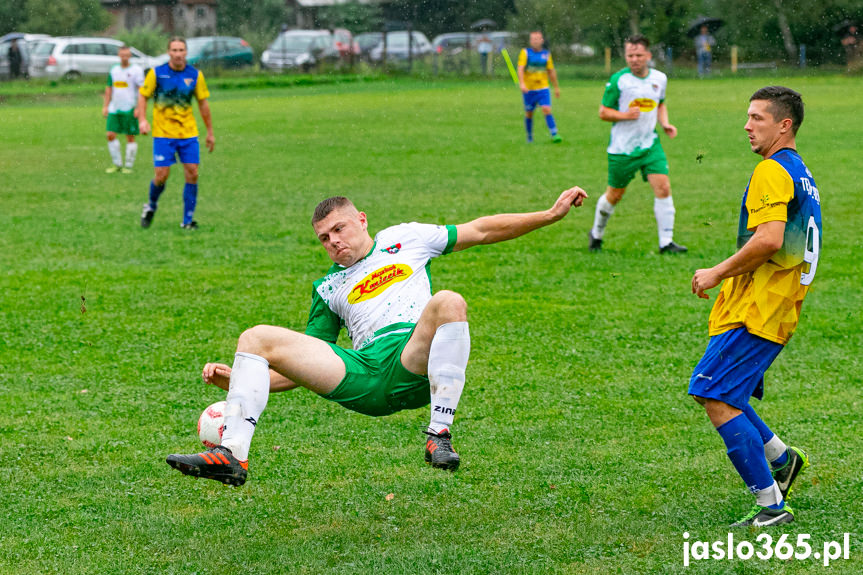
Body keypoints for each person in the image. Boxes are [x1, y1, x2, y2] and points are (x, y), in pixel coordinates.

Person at [166, 188, 589, 485]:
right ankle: (231, 456)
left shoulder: (405, 238)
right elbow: (307, 367)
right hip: (366, 375)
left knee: (448, 300)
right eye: (324, 238)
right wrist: (237, 382)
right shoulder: (327, 288)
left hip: (415, 357)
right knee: (255, 338)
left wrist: (549, 215)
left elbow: (480, 230)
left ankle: (438, 437)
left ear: (361, 219)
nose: (334, 241)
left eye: (340, 229)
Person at [690, 86, 821, 526]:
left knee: (712, 392)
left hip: (759, 306)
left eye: (757, 118)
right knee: (726, 389)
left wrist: (716, 272)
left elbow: (768, 239)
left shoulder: (771, 170)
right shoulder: (801, 172)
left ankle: (771, 505)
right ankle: (782, 460)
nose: (747, 126)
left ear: (784, 125)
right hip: (777, 304)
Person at [590, 34, 687, 254]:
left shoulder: (660, 78)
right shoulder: (619, 81)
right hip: (622, 149)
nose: (634, 59)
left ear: (648, 56)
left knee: (663, 187)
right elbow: (603, 112)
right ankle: (596, 233)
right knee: (614, 195)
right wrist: (625, 115)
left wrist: (665, 124)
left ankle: (666, 243)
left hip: (650, 145)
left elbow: (660, 104)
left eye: (638, 55)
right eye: (630, 55)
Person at [137, 37, 215, 230]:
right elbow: (143, 96)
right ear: (168, 52)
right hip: (163, 133)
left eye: (181, 50)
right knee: (162, 175)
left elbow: (203, 104)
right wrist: (142, 120)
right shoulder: (157, 73)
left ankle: (187, 221)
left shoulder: (195, 75)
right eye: (174, 50)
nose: (178, 54)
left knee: (193, 173)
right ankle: (151, 205)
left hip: (188, 133)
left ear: (186, 53)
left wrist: (210, 133)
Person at [103, 45, 145, 174]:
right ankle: (117, 164)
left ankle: (128, 165)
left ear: (130, 56)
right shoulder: (114, 70)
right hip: (114, 108)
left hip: (130, 108)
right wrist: (105, 106)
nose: (124, 57)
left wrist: (138, 108)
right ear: (119, 55)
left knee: (130, 137)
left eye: (127, 55)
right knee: (110, 134)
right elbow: (109, 88)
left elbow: (141, 90)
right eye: (122, 55)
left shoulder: (137, 70)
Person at [517, 31, 562, 143]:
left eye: (537, 39)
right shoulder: (525, 53)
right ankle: (529, 137)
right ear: (530, 41)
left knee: (546, 109)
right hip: (529, 89)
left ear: (542, 40)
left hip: (543, 88)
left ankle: (554, 134)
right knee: (529, 113)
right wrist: (522, 83)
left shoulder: (546, 54)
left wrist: (556, 87)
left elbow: (551, 71)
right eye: (533, 39)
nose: (535, 41)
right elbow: (520, 68)